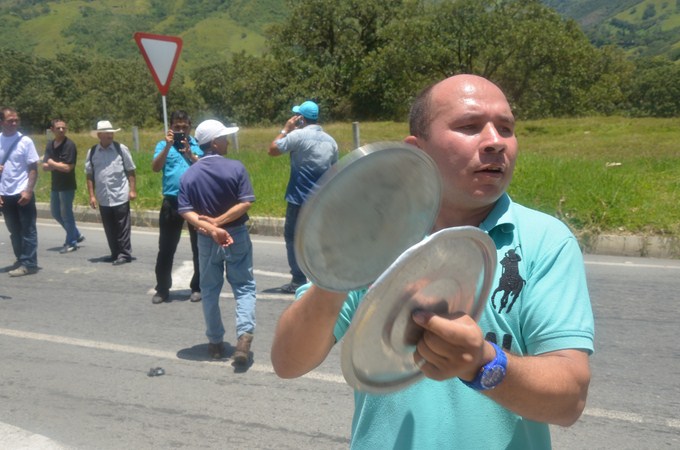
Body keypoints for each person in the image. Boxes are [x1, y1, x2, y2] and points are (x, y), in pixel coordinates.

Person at [270, 75, 594, 449]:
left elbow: (570, 398)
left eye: (506, 128)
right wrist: (338, 270)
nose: (495, 142)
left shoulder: (546, 240)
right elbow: (288, 361)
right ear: (417, 149)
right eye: (470, 126)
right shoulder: (379, 234)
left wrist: (485, 364)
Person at [178, 119, 257, 366]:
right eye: (223, 138)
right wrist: (220, 223)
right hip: (236, 235)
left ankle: (214, 343)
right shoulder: (236, 168)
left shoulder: (190, 174)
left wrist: (210, 227)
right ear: (214, 142)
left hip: (206, 239)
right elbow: (245, 203)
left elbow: (185, 211)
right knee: (243, 286)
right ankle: (243, 338)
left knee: (210, 289)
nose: (227, 141)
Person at [268, 100, 338, 294]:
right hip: (321, 199)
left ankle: (298, 279)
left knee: (292, 237)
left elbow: (272, 150)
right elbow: (334, 168)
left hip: (298, 198)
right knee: (317, 239)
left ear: (300, 119)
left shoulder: (297, 135)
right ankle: (321, 278)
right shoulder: (330, 141)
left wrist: (285, 129)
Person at [150, 111, 203, 304]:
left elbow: (205, 168)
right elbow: (155, 167)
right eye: (177, 127)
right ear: (171, 127)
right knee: (166, 248)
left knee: (198, 247)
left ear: (190, 126)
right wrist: (168, 146)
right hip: (172, 201)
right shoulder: (163, 145)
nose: (181, 130)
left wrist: (190, 153)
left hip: (195, 202)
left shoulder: (197, 145)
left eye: (184, 127)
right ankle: (162, 289)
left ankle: (197, 286)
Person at [85, 120, 137, 266]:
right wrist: (92, 195)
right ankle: (114, 253)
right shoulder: (93, 152)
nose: (110, 135)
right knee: (109, 227)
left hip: (120, 193)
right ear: (99, 135)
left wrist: (132, 190)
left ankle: (124, 254)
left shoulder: (121, 149)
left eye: (111, 133)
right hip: (103, 196)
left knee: (122, 226)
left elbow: (130, 170)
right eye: (107, 133)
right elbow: (89, 174)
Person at [0, 107, 40, 277]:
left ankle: (29, 264)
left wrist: (28, 191)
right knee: (14, 230)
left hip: (22, 192)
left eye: (16, 120)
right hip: (5, 194)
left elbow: (33, 168)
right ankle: (20, 259)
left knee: (28, 229)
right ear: (1, 122)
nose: (14, 123)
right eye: (10, 120)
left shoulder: (25, 141)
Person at [42, 118, 84, 254]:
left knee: (66, 214)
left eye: (63, 128)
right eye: (58, 128)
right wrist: (56, 164)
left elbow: (67, 168)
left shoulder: (69, 145)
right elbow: (44, 167)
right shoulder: (50, 144)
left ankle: (71, 242)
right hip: (56, 185)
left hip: (67, 185)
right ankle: (76, 234)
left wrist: (52, 163)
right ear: (52, 129)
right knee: (55, 213)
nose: (61, 130)